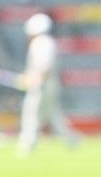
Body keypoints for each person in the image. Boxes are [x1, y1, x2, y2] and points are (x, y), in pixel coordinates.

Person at [17, 12, 81, 156]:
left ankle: (27, 144)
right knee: (53, 116)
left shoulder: (41, 43)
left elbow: (43, 66)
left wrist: (33, 79)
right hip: (48, 85)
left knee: (31, 113)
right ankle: (72, 139)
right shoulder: (47, 42)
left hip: (42, 86)